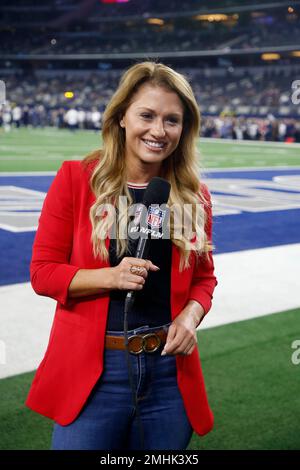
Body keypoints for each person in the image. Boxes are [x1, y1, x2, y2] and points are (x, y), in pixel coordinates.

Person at [25, 61, 217, 451]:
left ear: (185, 128)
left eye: (172, 120)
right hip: (96, 372)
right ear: (122, 118)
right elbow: (43, 273)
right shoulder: (77, 178)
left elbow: (204, 278)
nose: (159, 131)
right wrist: (110, 276)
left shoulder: (194, 194)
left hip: (168, 371)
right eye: (147, 115)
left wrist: (190, 315)